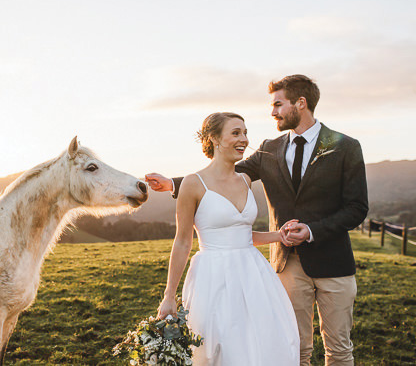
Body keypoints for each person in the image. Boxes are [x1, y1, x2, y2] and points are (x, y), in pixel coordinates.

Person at [148, 75, 368, 366]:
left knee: (339, 349)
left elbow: (357, 207)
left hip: (333, 262)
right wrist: (174, 184)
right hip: (287, 264)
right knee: (294, 346)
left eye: (278, 104)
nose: (273, 111)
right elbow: (220, 176)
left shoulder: (345, 147)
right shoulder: (269, 150)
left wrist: (312, 230)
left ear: (301, 103)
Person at [156, 112, 300, 365]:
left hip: (254, 274)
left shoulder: (245, 180)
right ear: (213, 138)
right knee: (218, 349)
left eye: (245, 132)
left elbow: (242, 236)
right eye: (235, 133)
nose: (243, 139)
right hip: (213, 278)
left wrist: (279, 235)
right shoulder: (193, 183)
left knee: (262, 344)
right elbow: (182, 242)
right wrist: (169, 296)